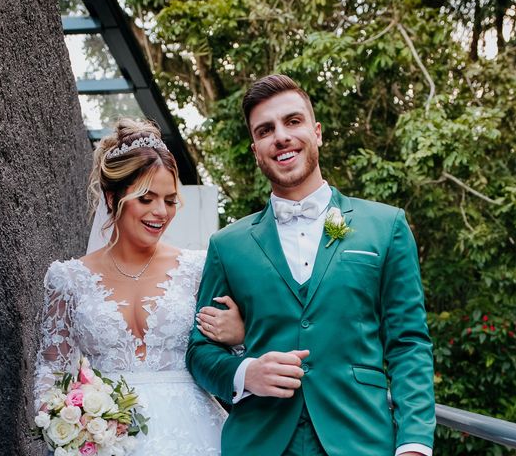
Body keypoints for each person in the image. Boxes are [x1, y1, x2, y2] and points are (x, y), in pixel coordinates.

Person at [187, 74, 436, 455]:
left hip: (360, 440)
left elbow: (408, 344)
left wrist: (414, 444)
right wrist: (245, 373)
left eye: (292, 121)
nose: (281, 136)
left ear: (316, 132)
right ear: (256, 150)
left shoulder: (386, 227)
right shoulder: (227, 245)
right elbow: (199, 352)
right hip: (258, 441)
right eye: (265, 130)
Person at [33, 118, 245, 455]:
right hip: (105, 439)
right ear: (112, 196)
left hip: (195, 435)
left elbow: (229, 359)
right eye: (146, 198)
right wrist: (65, 422)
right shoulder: (67, 279)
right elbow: (51, 370)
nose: (160, 212)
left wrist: (238, 336)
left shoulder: (198, 269)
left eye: (170, 200)